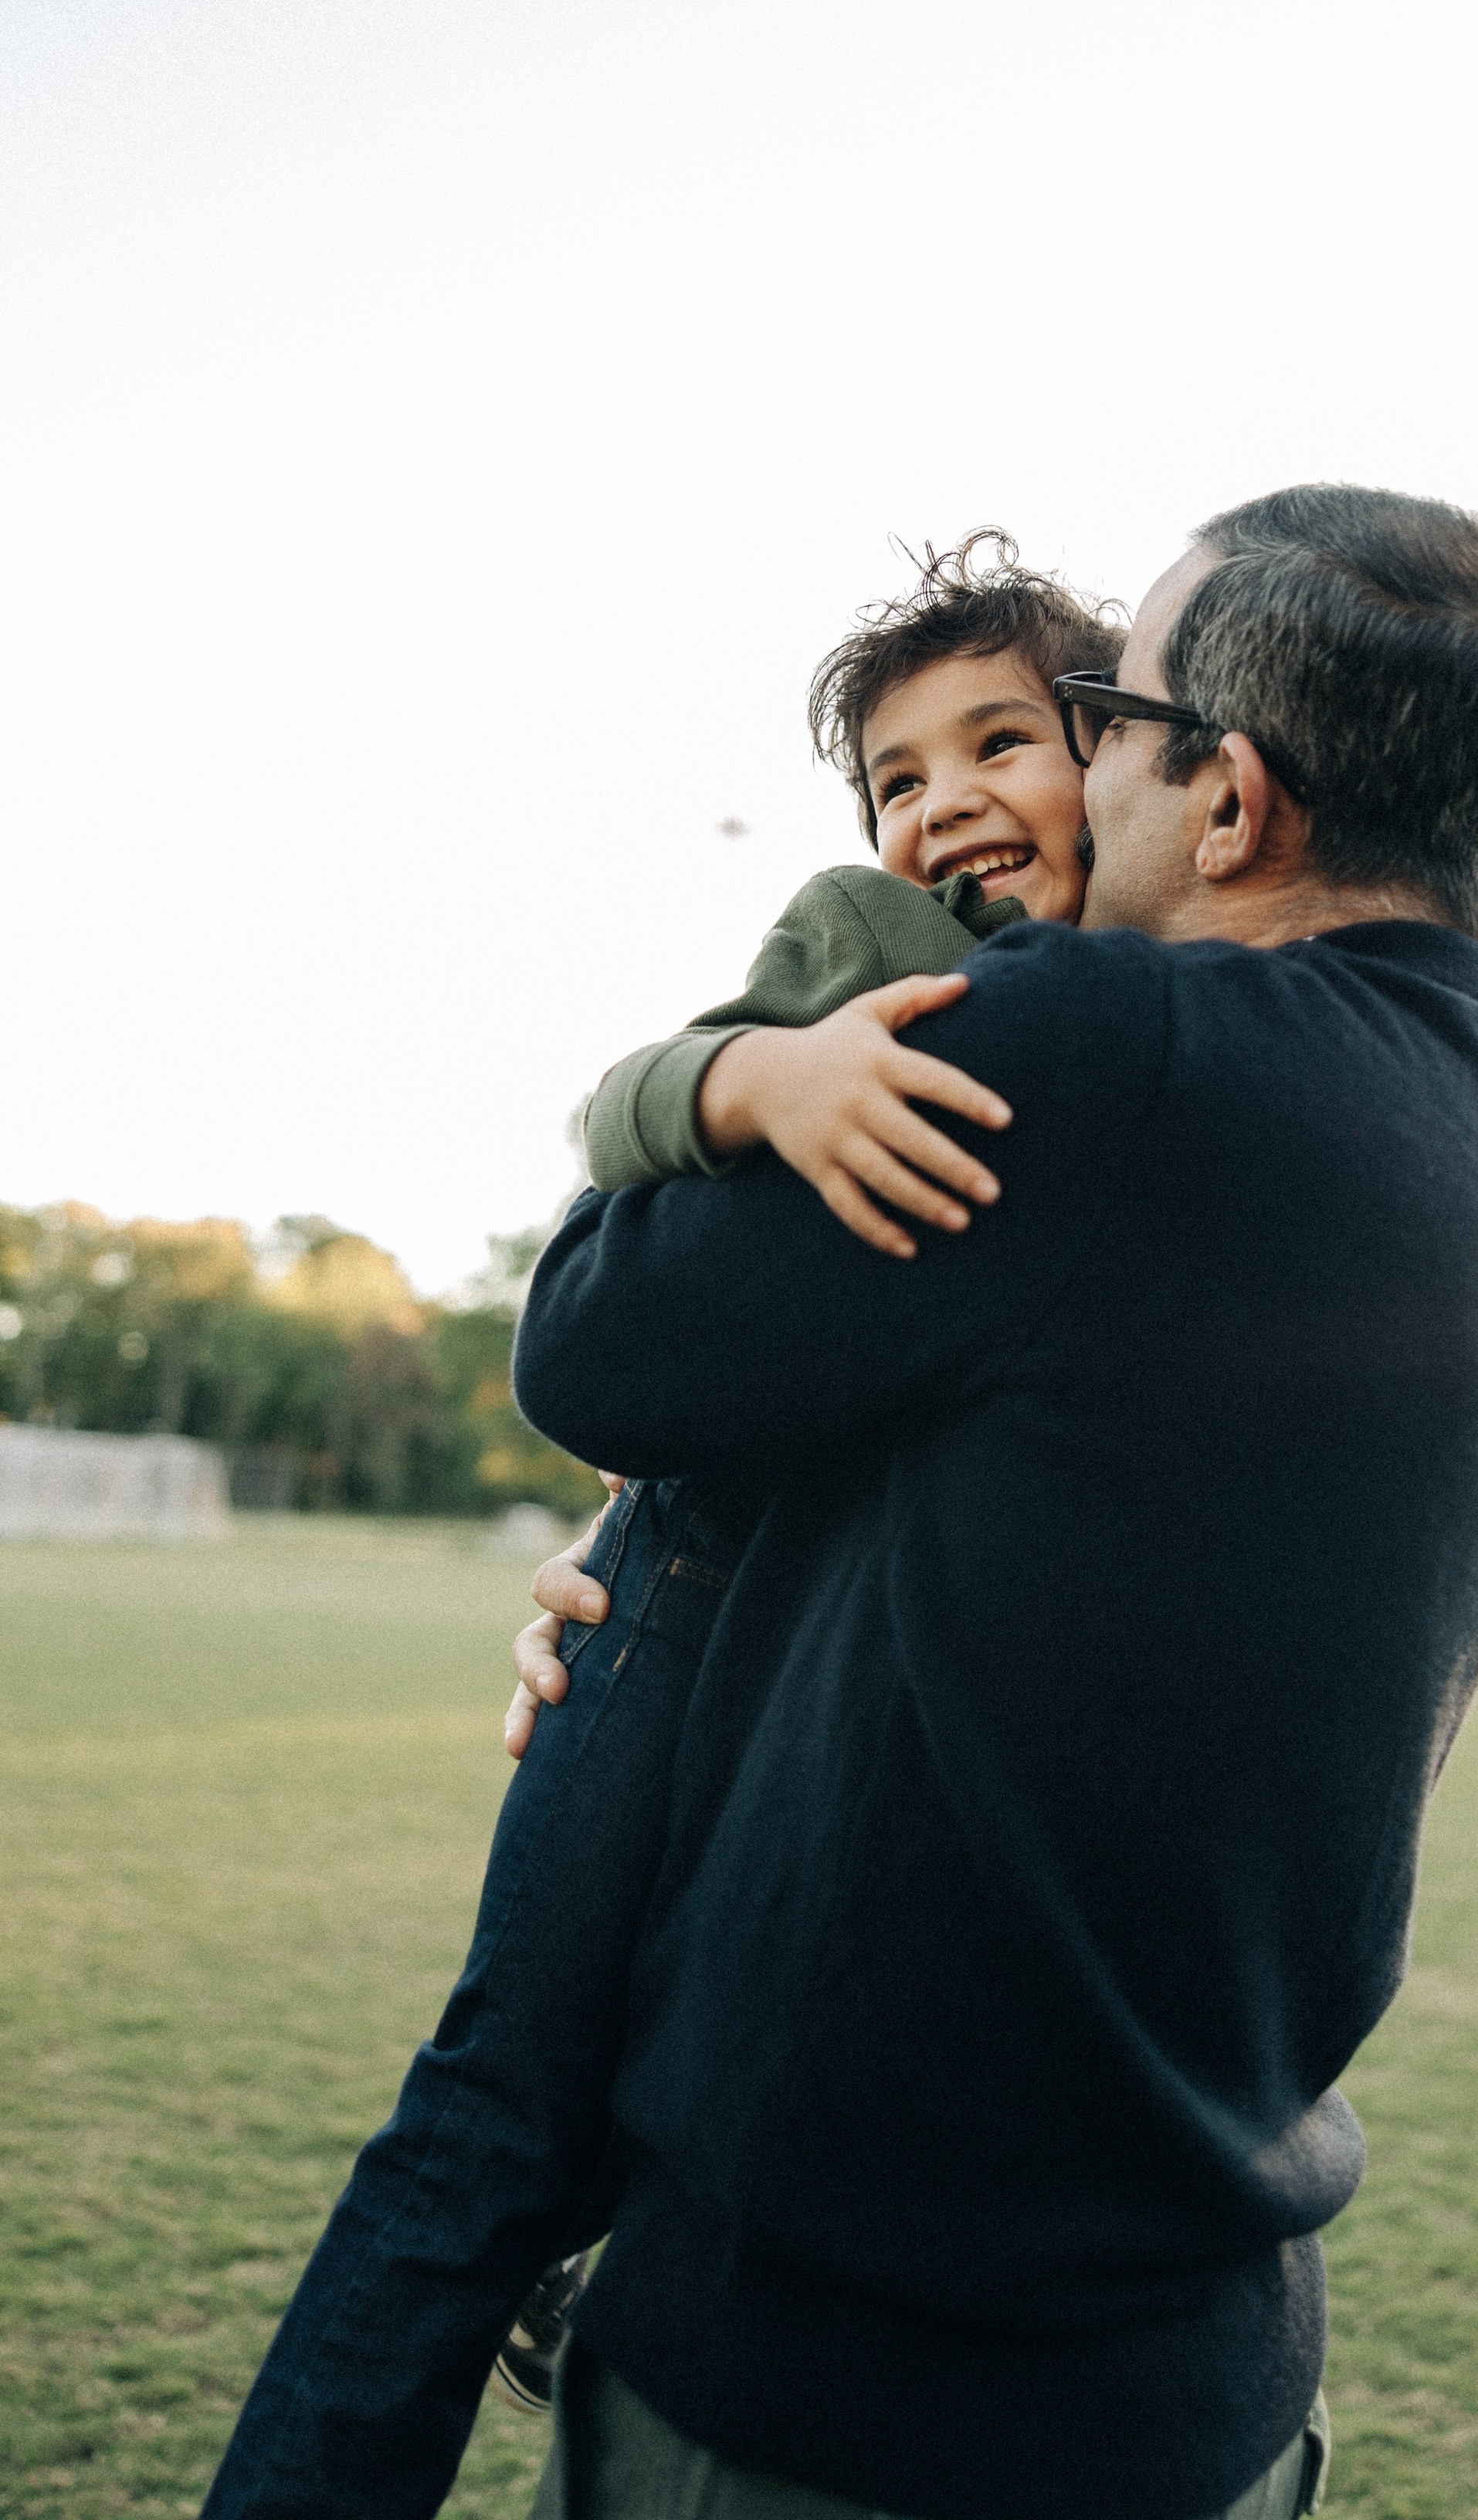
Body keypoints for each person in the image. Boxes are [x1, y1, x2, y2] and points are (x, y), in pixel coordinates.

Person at [508, 483, 1478, 2520]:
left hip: (849, 2396)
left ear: (1234, 801)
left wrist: (731, 1092)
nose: (1073, 762)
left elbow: (592, 1344)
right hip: (1204, 2385)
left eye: (1102, 711)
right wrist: (676, 1592)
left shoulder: (1112, 1053)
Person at [198, 541, 1125, 2520]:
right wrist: (747, 1073)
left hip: (827, 1625)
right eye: (896, 770)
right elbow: (619, 1113)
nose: (942, 796)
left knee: (633, 2078)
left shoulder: (1169, 1019)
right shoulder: (871, 942)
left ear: (1117, 762)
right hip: (689, 1572)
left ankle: (595, 2241)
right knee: (486, 2121)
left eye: (999, 740)